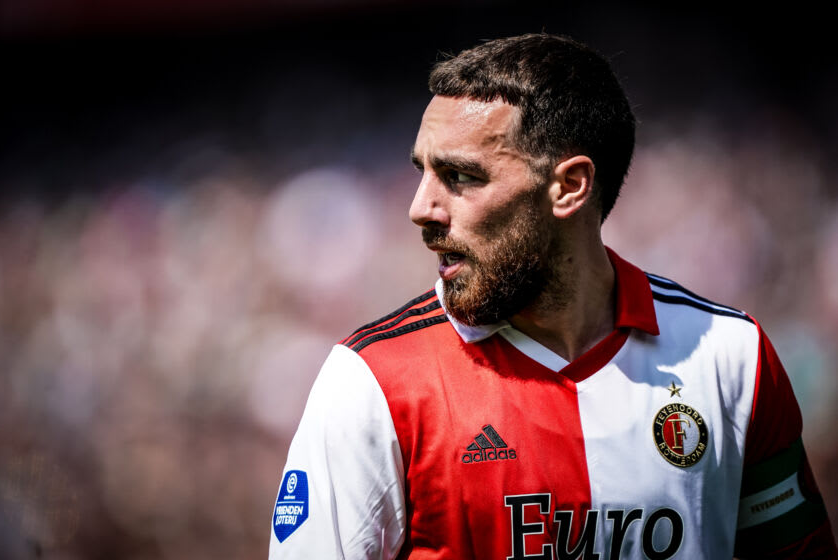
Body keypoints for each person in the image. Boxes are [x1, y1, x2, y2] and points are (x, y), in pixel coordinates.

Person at [268, 33, 837, 559]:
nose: (421, 208)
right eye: (422, 171)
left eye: (461, 176)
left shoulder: (732, 356)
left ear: (569, 186)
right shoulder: (372, 380)